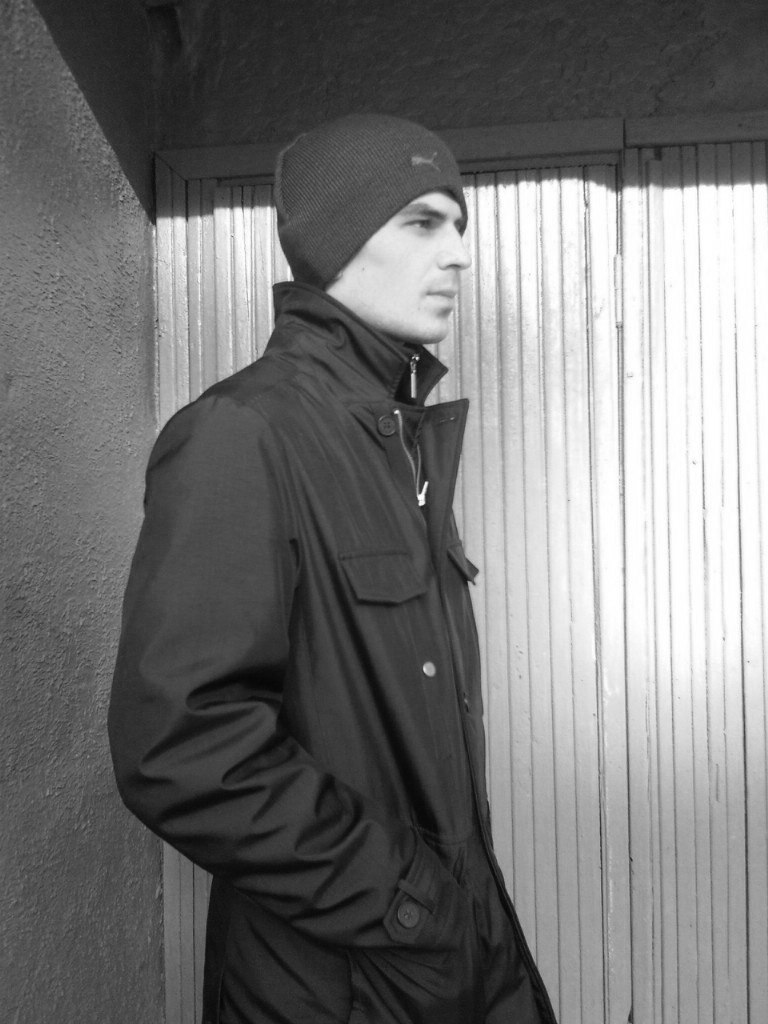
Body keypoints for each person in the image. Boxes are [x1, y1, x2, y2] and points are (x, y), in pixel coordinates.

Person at [109, 113, 558, 1024]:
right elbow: (182, 747)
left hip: (451, 963)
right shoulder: (243, 435)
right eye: (422, 222)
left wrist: (461, 923)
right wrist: (411, 907)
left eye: (458, 225)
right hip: (335, 987)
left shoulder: (395, 442)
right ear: (336, 240)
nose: (459, 254)